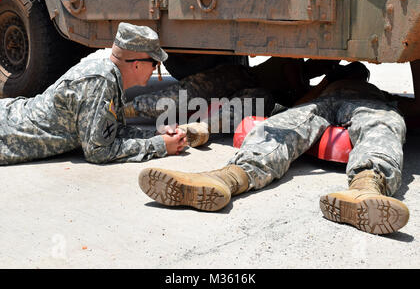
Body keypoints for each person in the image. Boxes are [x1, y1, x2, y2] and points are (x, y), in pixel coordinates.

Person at [138, 62, 410, 235]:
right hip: (325, 103)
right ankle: (223, 178)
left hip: (356, 104)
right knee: (278, 128)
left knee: (384, 123)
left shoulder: (374, 93)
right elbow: (297, 108)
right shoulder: (330, 86)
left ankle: (365, 189)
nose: (356, 73)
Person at [0, 23, 189, 165]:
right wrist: (158, 146)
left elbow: (109, 132)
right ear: (137, 64)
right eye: (155, 64)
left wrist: (154, 134)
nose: (156, 69)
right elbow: (99, 151)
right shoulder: (101, 82)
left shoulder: (110, 76)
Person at [123, 57, 340, 146]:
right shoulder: (293, 62)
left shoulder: (314, 86)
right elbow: (293, 80)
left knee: (250, 102)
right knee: (186, 93)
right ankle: (126, 110)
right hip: (242, 76)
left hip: (261, 97)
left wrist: (325, 81)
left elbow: (299, 108)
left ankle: (196, 130)